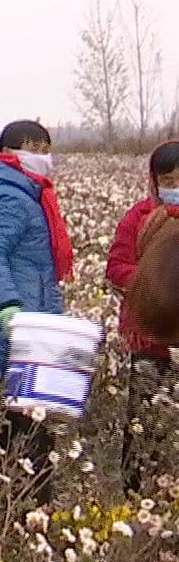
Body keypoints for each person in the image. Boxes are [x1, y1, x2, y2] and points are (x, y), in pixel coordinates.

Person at [0, 120, 70, 503]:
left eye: (46, 146)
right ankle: (18, 514)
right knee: (17, 426)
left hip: (30, 324)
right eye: (34, 146)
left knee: (24, 424)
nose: (43, 155)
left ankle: (20, 511)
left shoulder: (27, 194)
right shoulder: (9, 196)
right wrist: (8, 307)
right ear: (12, 152)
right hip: (12, 329)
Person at [108, 141, 179, 491]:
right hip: (150, 339)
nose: (175, 188)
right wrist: (156, 283)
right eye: (168, 180)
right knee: (144, 423)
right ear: (155, 181)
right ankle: (136, 496)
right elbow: (117, 268)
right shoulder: (139, 218)